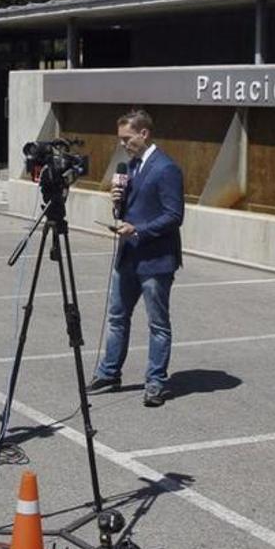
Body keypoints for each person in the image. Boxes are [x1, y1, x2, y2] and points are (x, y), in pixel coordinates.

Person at [88, 109, 185, 408]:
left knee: (158, 324)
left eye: (127, 139)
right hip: (128, 257)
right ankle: (109, 373)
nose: (123, 145)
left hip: (156, 260)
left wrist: (138, 229)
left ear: (144, 134)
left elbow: (174, 215)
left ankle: (155, 382)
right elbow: (127, 210)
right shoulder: (130, 166)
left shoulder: (166, 168)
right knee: (117, 317)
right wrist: (117, 204)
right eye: (121, 139)